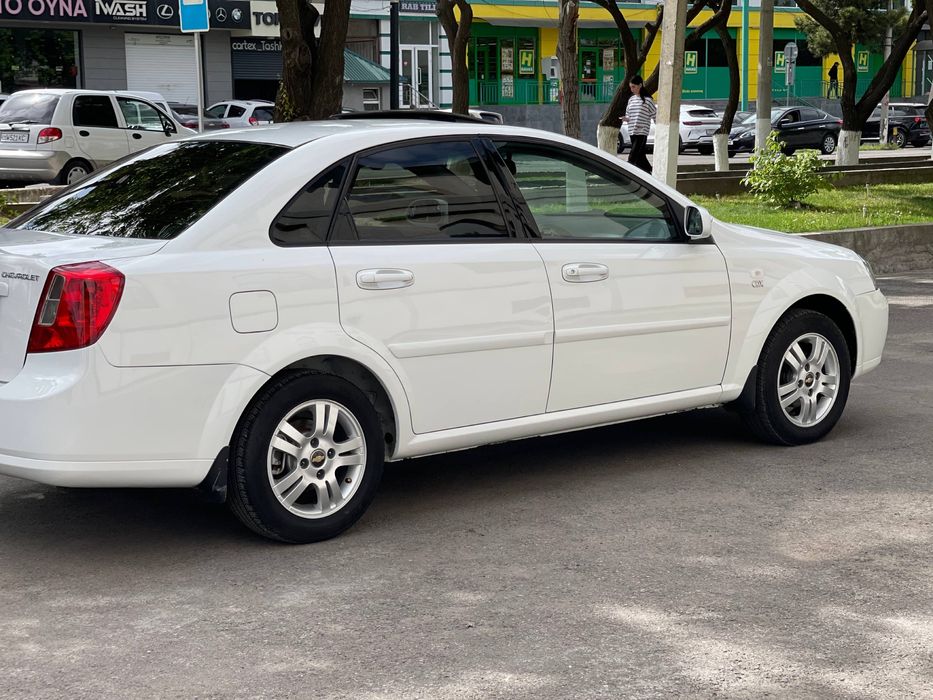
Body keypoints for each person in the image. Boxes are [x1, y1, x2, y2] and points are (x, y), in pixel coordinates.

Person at [621, 75, 656, 174]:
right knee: (640, 156)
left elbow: (655, 115)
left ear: (640, 85)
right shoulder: (631, 99)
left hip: (642, 131)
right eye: (631, 87)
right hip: (632, 130)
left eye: (634, 87)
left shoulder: (648, 100)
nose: (632, 89)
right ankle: (651, 173)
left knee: (633, 155)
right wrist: (626, 118)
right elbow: (628, 114)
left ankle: (627, 172)